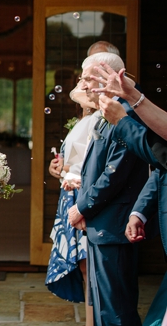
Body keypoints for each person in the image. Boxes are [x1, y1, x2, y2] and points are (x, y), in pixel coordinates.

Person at [68, 53, 148, 326]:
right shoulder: (106, 112)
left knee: (116, 312)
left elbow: (114, 174)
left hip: (114, 227)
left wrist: (82, 206)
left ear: (114, 78)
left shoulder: (125, 114)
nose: (85, 86)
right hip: (103, 226)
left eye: (90, 79)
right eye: (83, 80)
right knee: (103, 307)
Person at [46, 84, 97, 319]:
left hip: (86, 197)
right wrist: (58, 168)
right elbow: (73, 161)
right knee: (86, 268)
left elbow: (85, 164)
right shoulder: (82, 121)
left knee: (89, 266)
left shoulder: (100, 120)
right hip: (73, 196)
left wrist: (67, 168)